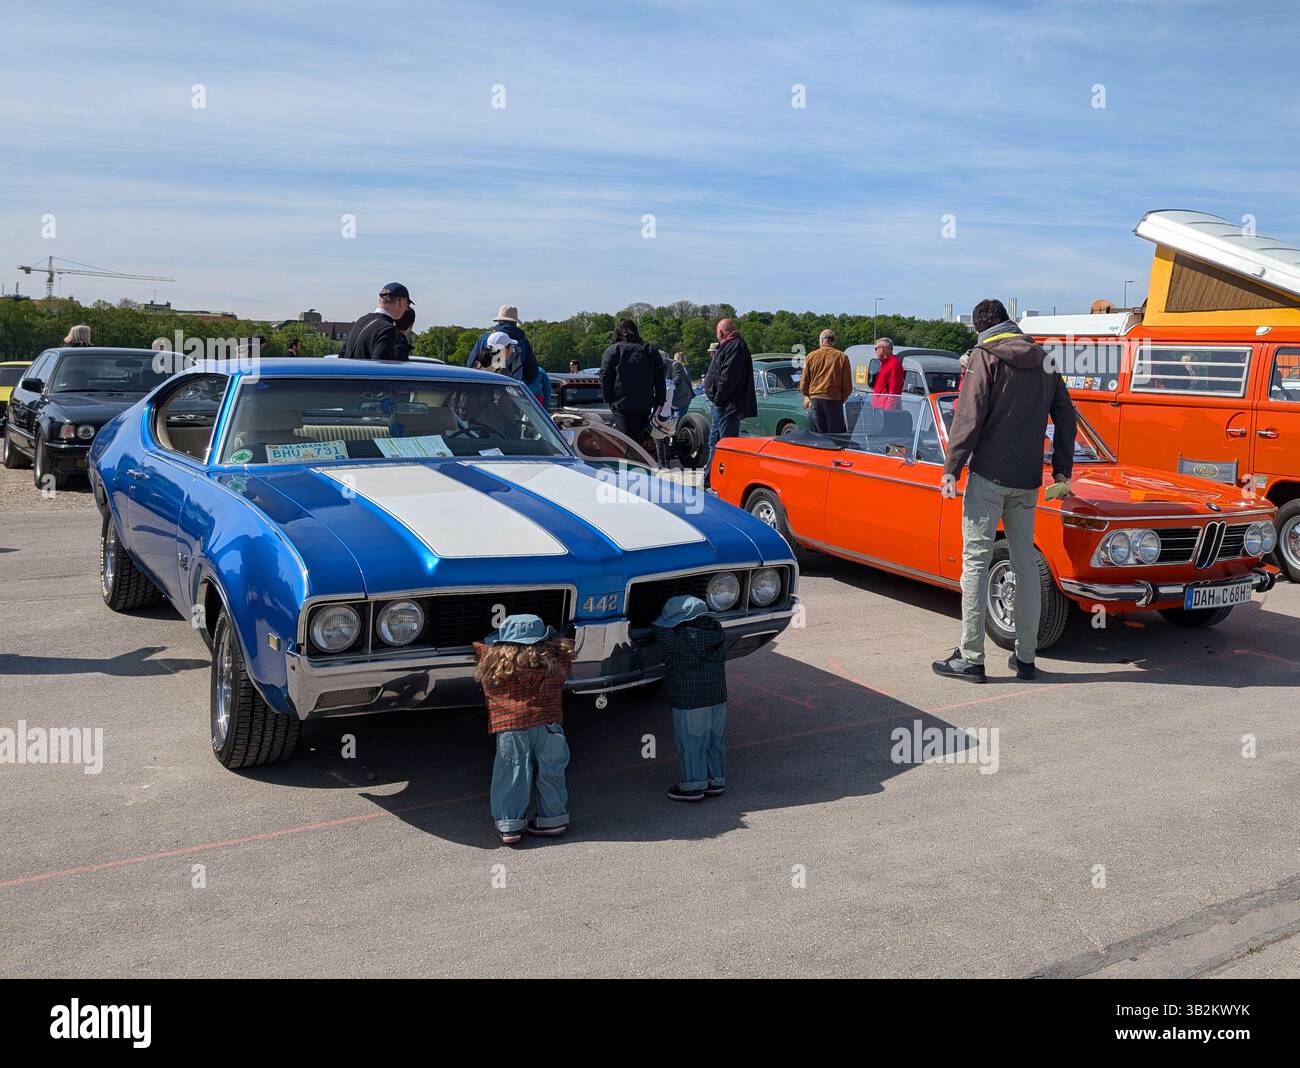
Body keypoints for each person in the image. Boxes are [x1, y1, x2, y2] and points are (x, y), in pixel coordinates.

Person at [932, 299, 1077, 684]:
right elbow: (1066, 415)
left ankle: (971, 656)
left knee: (976, 562)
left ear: (981, 327)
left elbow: (969, 414)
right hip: (1028, 479)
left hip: (989, 476)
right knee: (1024, 564)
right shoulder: (1045, 358)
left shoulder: (985, 355)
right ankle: (1026, 658)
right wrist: (1062, 469)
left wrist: (952, 468)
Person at [472, 614, 575, 846]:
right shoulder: (556, 660)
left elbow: (480, 648)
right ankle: (553, 819)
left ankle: (510, 826)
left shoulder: (494, 662)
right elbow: (566, 646)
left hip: (512, 727)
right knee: (552, 771)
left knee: (512, 773)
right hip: (549, 725)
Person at [654, 596, 728, 801]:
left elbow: (659, 630)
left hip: (690, 700)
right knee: (715, 741)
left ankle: (693, 786)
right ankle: (716, 779)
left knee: (691, 743)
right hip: (718, 698)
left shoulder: (678, 641)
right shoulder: (718, 634)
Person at [701, 318, 756, 487]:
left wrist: (718, 400)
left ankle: (727, 485)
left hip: (727, 406)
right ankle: (709, 482)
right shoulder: (731, 346)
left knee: (728, 447)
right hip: (723, 405)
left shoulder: (736, 346)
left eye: (717, 333)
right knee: (715, 444)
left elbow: (728, 377)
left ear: (721, 333)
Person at [599, 318, 665, 445]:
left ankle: (629, 463)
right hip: (644, 404)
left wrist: (607, 398)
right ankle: (638, 462)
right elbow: (659, 377)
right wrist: (660, 400)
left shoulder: (613, 350)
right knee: (638, 440)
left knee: (625, 442)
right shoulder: (650, 350)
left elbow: (605, 375)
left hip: (621, 404)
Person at [468, 305, 541, 399]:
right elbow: (532, 374)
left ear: (498, 321)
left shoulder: (484, 338)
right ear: (515, 322)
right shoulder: (523, 341)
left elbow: (470, 365)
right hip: (512, 394)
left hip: (483, 392)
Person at [341, 283, 412, 360]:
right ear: (400, 302)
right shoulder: (387, 329)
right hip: (367, 372)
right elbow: (381, 368)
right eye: (407, 305)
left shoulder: (360, 321)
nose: (406, 309)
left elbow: (342, 355)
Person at [800, 328, 852, 433]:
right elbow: (847, 384)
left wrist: (809, 395)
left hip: (815, 399)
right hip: (834, 400)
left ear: (822, 340)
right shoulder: (842, 357)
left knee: (820, 434)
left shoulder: (811, 356)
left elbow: (804, 381)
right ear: (833, 341)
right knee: (836, 435)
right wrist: (842, 399)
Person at [871, 338, 903, 411]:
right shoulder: (885, 364)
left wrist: (887, 412)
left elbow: (894, 392)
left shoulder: (893, 365)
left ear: (883, 349)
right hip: (878, 409)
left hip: (885, 410)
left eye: (876, 348)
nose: (875, 351)